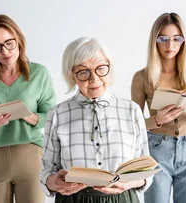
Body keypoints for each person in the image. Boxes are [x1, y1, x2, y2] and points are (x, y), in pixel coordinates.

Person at [41, 37, 151, 203]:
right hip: (73, 199)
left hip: (122, 198)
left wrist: (130, 183)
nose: (94, 79)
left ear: (109, 66)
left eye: (101, 68)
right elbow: (46, 170)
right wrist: (53, 182)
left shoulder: (131, 110)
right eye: (83, 72)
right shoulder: (57, 114)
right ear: (72, 75)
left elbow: (145, 171)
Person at [0, 14, 55, 203]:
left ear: (18, 40)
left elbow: (51, 117)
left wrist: (25, 115)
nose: (5, 51)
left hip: (30, 155)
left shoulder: (39, 73)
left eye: (9, 43)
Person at [131, 12, 186, 203]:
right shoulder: (142, 77)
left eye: (177, 39)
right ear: (155, 41)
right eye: (163, 39)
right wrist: (157, 120)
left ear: (183, 41)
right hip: (156, 149)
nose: (170, 45)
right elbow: (132, 125)